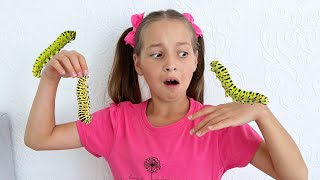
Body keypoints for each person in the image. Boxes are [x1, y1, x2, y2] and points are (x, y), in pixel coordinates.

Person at [25, 9, 307, 180]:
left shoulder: (217, 125)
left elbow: (295, 176)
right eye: (157, 54)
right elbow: (39, 138)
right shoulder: (116, 123)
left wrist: (261, 113)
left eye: (183, 53)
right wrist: (50, 78)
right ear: (137, 63)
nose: (171, 63)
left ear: (196, 61)